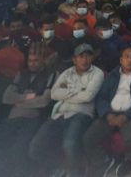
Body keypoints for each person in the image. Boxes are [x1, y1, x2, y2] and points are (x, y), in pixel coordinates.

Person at [29, 43, 104, 175]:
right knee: (35, 147)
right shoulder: (67, 73)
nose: (85, 60)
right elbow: (54, 94)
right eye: (81, 56)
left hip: (82, 113)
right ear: (74, 59)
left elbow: (87, 97)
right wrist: (79, 91)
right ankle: (58, 167)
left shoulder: (97, 73)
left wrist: (67, 92)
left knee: (69, 144)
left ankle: (75, 173)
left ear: (92, 58)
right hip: (60, 114)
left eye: (88, 56)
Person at [83, 46, 131, 176]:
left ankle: (129, 162)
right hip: (111, 113)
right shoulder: (113, 75)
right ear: (121, 60)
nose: (130, 60)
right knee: (88, 138)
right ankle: (104, 161)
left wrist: (126, 116)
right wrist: (108, 114)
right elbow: (101, 97)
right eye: (126, 57)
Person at [0, 44, 57, 175]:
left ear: (43, 60)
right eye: (30, 60)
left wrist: (19, 101)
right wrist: (28, 97)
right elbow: (6, 98)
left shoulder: (51, 75)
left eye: (36, 60)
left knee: (19, 149)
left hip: (33, 118)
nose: (32, 63)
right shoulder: (21, 74)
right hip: (13, 117)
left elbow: (44, 101)